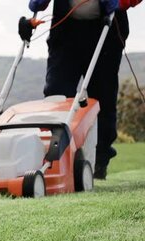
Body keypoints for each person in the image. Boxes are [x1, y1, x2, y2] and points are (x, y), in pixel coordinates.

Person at [28, 0, 142, 179]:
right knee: (56, 95)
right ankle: (55, 157)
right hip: (66, 33)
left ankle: (99, 160)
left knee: (102, 98)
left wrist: (122, 2)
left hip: (106, 30)